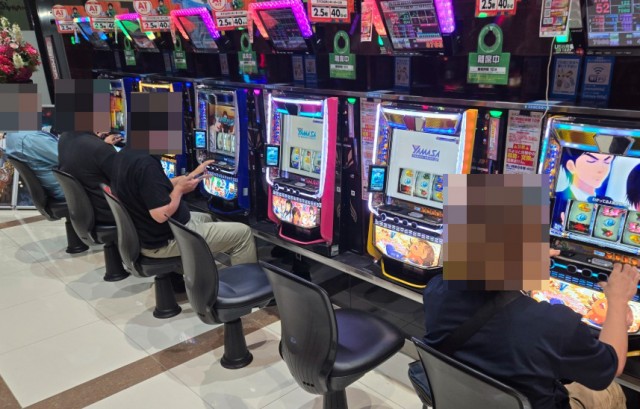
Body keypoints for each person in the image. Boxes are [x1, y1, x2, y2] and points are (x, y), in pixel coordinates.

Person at [423, 245, 637, 409]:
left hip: (458, 398)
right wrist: (618, 302)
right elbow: (612, 365)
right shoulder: (555, 325)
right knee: (612, 391)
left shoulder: (437, 290)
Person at [110, 148, 257, 265]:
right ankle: (245, 288)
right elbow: (161, 215)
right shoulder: (147, 164)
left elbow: (153, 187)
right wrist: (180, 190)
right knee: (243, 233)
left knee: (208, 218)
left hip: (149, 232)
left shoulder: (127, 153)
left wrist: (191, 175)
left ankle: (200, 274)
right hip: (162, 241)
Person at [58, 131, 123, 224]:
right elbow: (123, 182)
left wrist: (99, 142)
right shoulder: (101, 148)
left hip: (84, 210)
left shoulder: (64, 137)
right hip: (108, 213)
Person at [553, 149, 615, 229]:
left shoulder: (608, 202)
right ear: (571, 166)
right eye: (591, 161)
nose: (601, 170)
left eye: (607, 162)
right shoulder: (556, 198)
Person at [4, 130, 65, 201]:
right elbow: (70, 158)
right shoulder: (33, 138)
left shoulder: (12, 134)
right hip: (66, 189)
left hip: (55, 188)